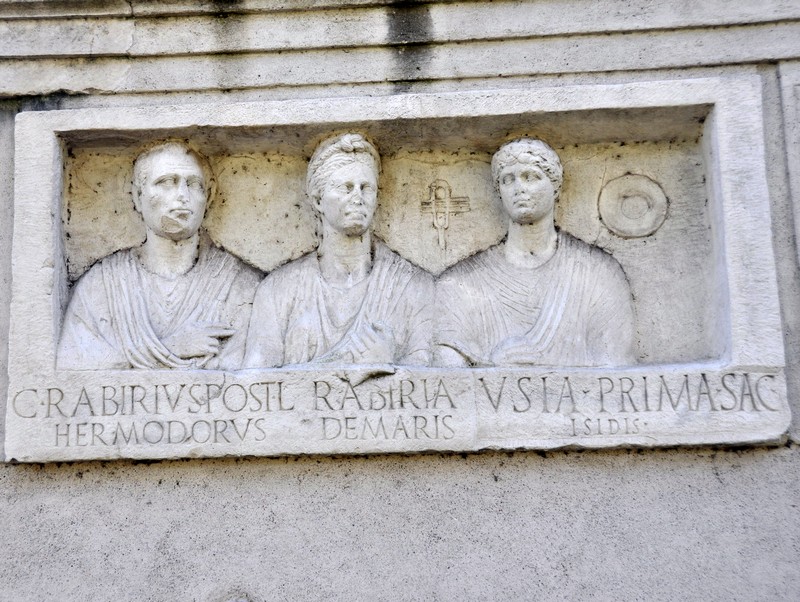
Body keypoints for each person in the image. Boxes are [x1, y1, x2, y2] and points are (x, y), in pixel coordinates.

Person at [57, 141, 261, 370]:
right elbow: (74, 372)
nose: (182, 195)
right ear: (137, 196)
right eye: (166, 182)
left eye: (193, 184)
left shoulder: (242, 285)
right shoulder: (101, 287)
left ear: (210, 195)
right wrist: (171, 348)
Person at [435, 138, 636, 367]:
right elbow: (445, 375)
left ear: (555, 186)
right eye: (508, 180)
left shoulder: (598, 272)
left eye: (531, 177)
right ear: (499, 191)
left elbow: (618, 370)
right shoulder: (461, 283)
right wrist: (492, 368)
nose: (519, 188)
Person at [244, 133, 433, 368]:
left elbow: (432, 379)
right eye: (345, 188)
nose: (358, 198)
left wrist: (390, 364)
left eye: (366, 188)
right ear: (318, 199)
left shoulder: (411, 286)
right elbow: (257, 384)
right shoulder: (278, 290)